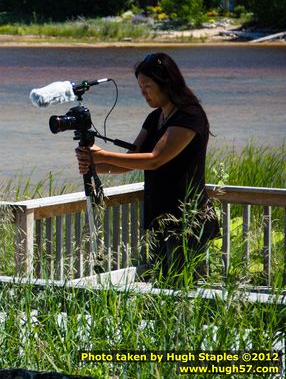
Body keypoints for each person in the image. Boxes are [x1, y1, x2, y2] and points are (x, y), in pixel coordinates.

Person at [75, 52, 219, 280]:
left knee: (186, 288)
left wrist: (102, 155)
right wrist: (94, 164)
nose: (143, 93)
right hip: (158, 218)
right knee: (162, 287)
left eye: (147, 86)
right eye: (140, 86)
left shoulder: (190, 115)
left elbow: (154, 159)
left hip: (188, 218)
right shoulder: (154, 119)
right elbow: (131, 161)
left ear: (166, 82)